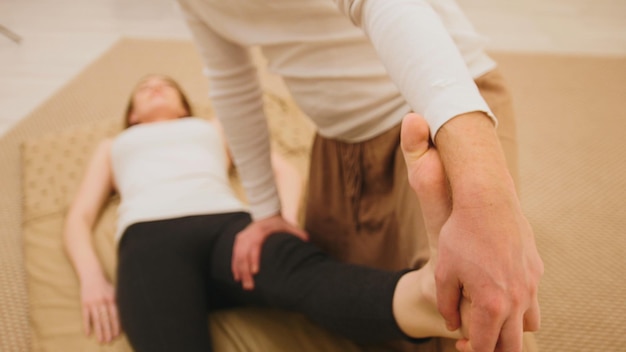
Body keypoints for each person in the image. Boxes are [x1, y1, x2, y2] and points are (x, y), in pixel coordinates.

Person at [175, 1, 544, 351]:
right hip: (338, 146)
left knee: (473, 314)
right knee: (355, 312)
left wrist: (483, 195)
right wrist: (266, 211)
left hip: (437, 108)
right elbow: (230, 80)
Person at [63, 75, 470, 351]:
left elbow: (280, 168)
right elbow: (80, 218)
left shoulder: (211, 127)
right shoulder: (115, 144)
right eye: (145, 88)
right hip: (152, 240)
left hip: (230, 228)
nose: (155, 87)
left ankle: (427, 302)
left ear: (185, 105)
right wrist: (92, 279)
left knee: (311, 278)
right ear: (132, 114)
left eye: (166, 86)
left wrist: (282, 221)